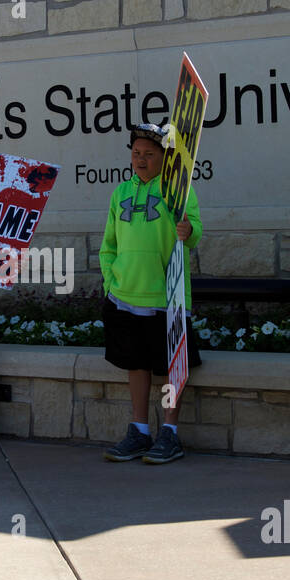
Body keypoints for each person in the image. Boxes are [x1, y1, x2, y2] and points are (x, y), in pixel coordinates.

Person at [98, 122, 202, 465]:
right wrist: (111, 283)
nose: (140, 160)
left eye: (149, 154)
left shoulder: (178, 191)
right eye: (136, 153)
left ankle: (169, 433)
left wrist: (189, 230)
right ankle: (139, 430)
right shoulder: (118, 193)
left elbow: (195, 228)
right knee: (136, 365)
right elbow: (108, 246)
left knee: (173, 368)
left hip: (167, 297)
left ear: (164, 157)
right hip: (125, 297)